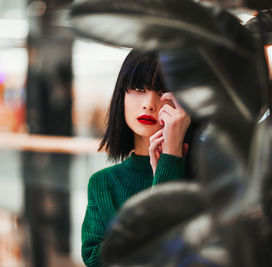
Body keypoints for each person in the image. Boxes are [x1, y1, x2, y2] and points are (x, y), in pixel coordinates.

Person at [81, 49, 191, 267]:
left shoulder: (205, 173)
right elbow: (96, 261)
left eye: (163, 91)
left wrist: (171, 158)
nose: (149, 104)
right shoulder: (103, 183)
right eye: (139, 88)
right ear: (122, 93)